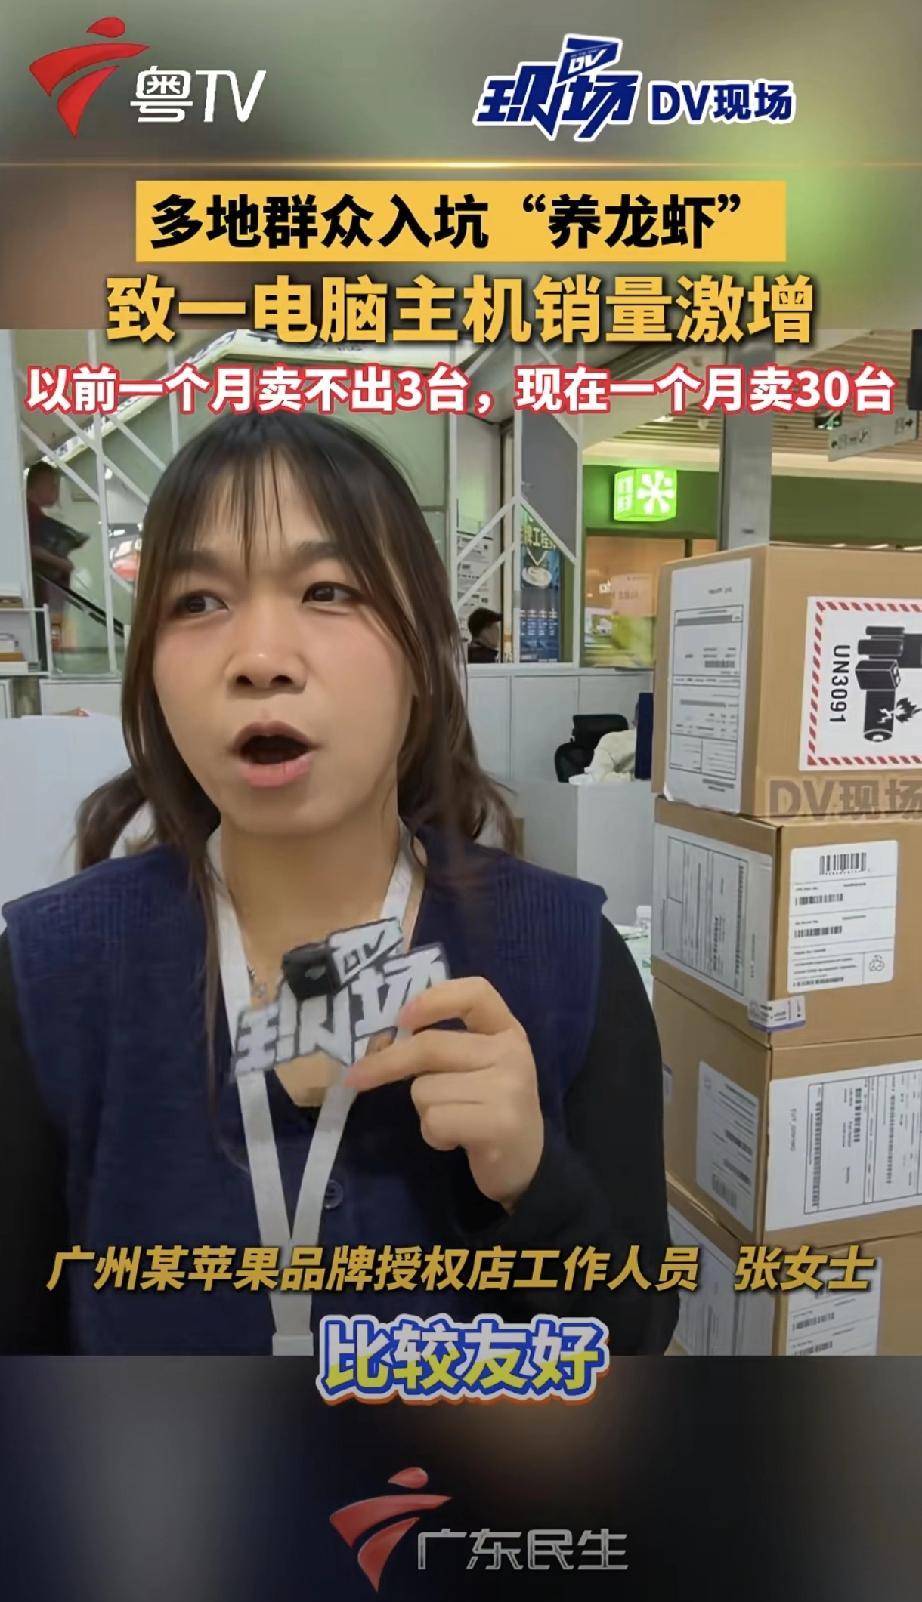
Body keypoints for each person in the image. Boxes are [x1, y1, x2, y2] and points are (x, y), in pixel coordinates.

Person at [0, 411, 676, 1356]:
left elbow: (633, 1341)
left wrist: (534, 1184)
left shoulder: (568, 956)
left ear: (423, 652)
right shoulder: (51, 973)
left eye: (328, 590)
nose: (260, 659)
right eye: (198, 601)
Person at [25, 461, 87, 649]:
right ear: (40, 484)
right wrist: (62, 563)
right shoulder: (28, 515)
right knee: (44, 648)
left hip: (45, 598)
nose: (56, 491)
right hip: (40, 598)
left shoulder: (35, 515)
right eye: (52, 485)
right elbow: (31, 549)